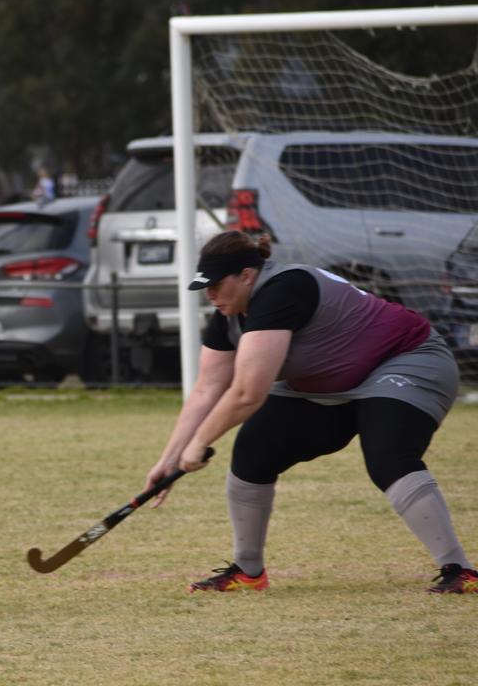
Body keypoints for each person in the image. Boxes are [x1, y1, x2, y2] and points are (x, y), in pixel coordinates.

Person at [146, 230, 476, 594]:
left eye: (216, 285)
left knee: (388, 456)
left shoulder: (282, 290)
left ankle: (460, 571)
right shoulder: (228, 315)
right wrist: (171, 458)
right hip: (330, 383)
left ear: (246, 275)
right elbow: (208, 389)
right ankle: (247, 571)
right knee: (254, 450)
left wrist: (200, 443)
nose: (209, 295)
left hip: (405, 361)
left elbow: (247, 393)